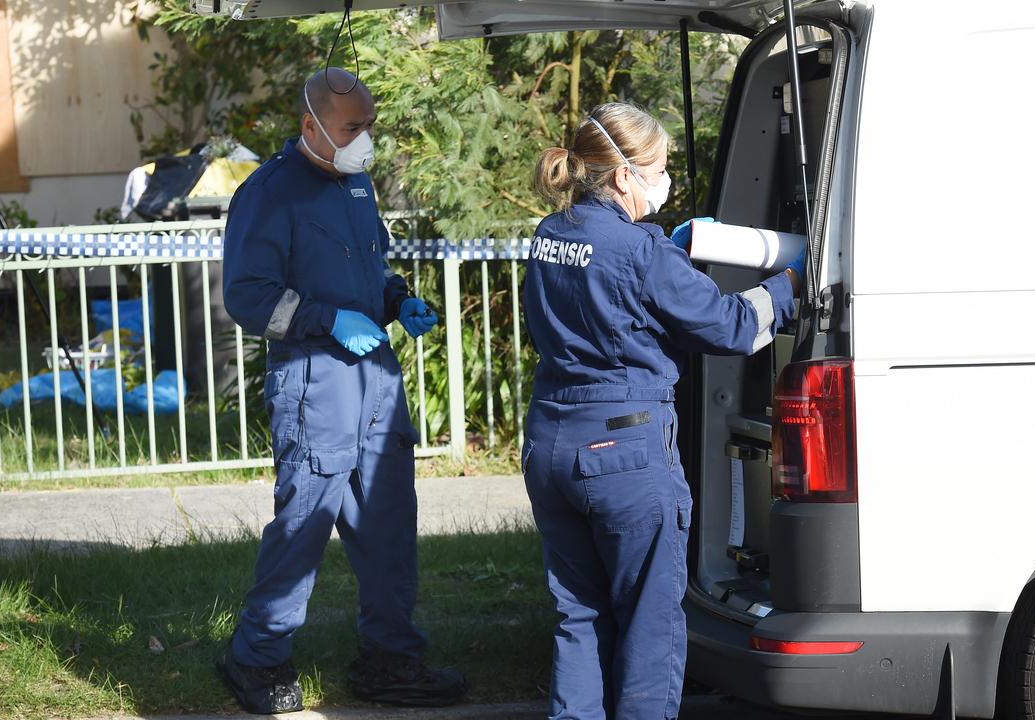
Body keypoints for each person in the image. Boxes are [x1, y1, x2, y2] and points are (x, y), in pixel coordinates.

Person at [522, 102, 803, 720]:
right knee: (650, 622)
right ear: (624, 176)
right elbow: (730, 326)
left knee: (579, 616)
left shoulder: (550, 235)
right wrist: (787, 288)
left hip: (552, 443)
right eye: (658, 168)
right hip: (624, 452)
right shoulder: (641, 252)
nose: (664, 180)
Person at [218, 67, 469, 714]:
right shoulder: (269, 194)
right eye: (352, 128)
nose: (365, 141)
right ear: (310, 124)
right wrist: (328, 320)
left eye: (368, 126)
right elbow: (247, 298)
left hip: (375, 379)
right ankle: (257, 659)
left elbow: (370, 267)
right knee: (305, 523)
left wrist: (397, 300)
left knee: (389, 523)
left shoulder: (355, 184)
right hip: (314, 380)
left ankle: (391, 660)